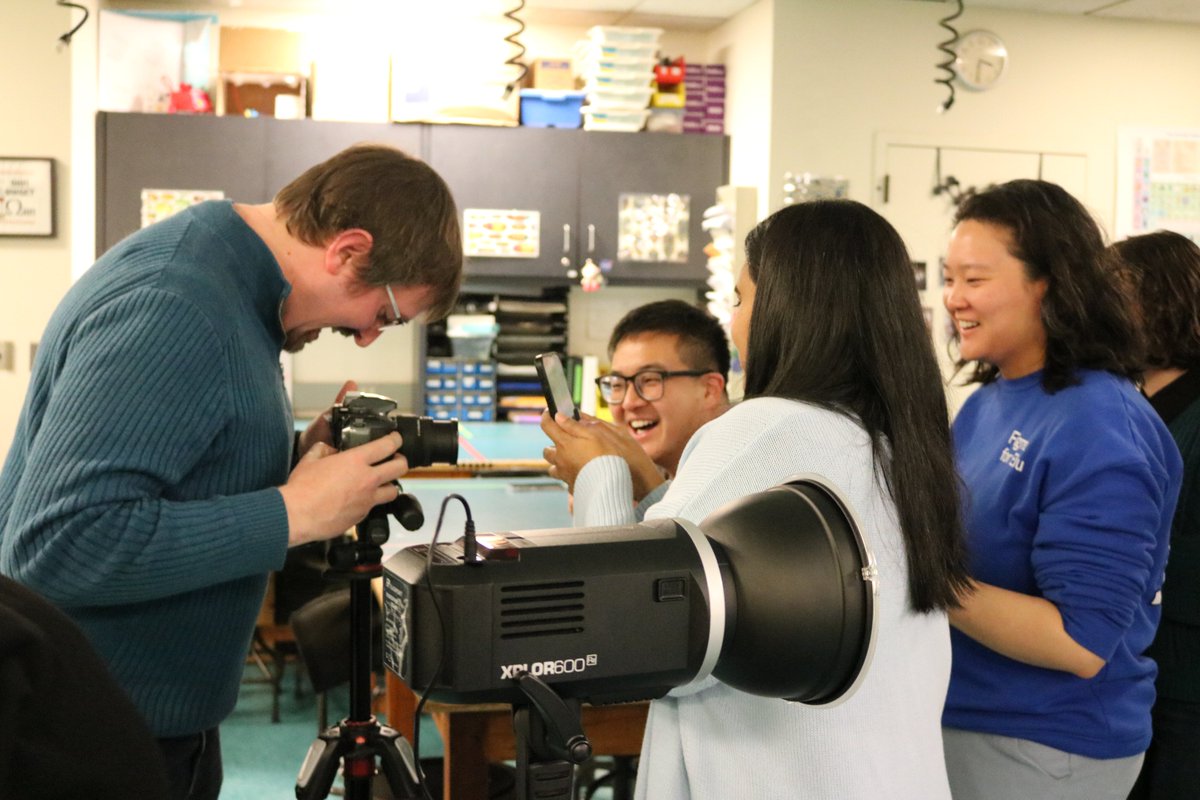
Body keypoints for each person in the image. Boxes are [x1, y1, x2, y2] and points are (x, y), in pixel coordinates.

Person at [0, 143, 463, 800]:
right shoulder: (176, 303)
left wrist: (303, 460)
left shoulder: (233, 289)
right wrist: (295, 513)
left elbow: (179, 463)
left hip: (146, 722)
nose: (366, 337)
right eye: (383, 314)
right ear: (349, 251)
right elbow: (57, 544)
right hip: (92, 740)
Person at [542, 200, 971, 799]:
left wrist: (601, 474)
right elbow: (767, 575)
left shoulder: (765, 429)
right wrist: (656, 493)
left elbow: (632, 632)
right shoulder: (899, 446)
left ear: (789, 310)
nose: (736, 321)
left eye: (740, 300)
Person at [939, 179, 1182, 800]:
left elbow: (1080, 641)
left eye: (975, 279)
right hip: (970, 720)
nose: (953, 299)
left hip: (1046, 745)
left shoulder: (1100, 424)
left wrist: (927, 579)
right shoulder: (985, 405)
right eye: (949, 278)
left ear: (1047, 282)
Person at [1111, 230, 1200, 800]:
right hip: (1135, 675)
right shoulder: (1126, 404)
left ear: (1160, 302)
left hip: (1186, 686)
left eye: (1114, 297)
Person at [599, 299, 731, 480]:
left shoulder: (737, 482)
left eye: (649, 380)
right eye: (617, 384)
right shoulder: (664, 483)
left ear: (709, 390)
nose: (629, 402)